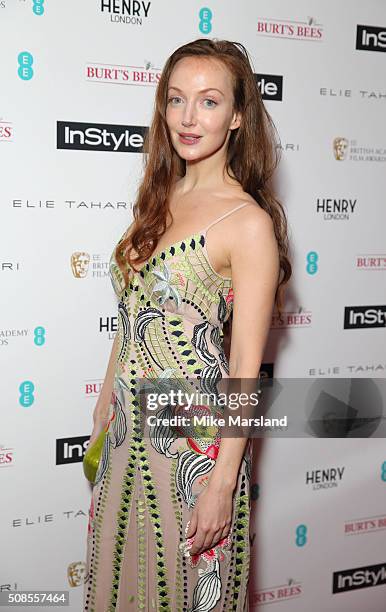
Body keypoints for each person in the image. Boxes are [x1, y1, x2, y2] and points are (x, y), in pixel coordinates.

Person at [83, 37, 291, 612]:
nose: (189, 117)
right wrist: (105, 406)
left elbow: (246, 371)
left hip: (193, 450)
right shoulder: (156, 199)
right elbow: (133, 314)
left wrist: (223, 483)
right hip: (128, 437)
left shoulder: (247, 223)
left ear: (239, 114)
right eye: (176, 100)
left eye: (209, 101)